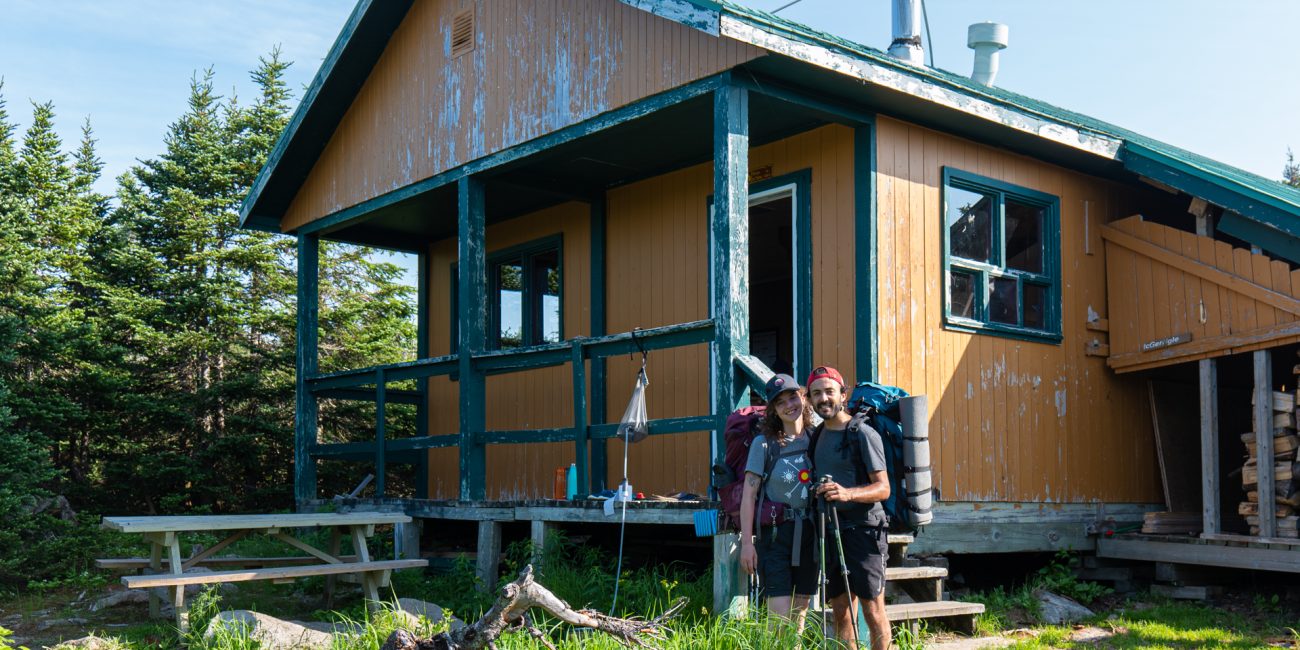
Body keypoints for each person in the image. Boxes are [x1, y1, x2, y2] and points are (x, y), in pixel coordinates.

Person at [808, 366, 891, 650]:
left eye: (829, 391)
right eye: (816, 393)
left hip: (866, 532)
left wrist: (847, 493)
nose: (824, 398)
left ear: (843, 395)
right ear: (809, 399)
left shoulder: (862, 434)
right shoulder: (817, 436)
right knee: (841, 611)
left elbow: (883, 488)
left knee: (873, 610)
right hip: (832, 532)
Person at [739, 373, 817, 631]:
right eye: (780, 402)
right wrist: (747, 544)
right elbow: (749, 496)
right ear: (772, 409)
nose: (789, 405)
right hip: (774, 537)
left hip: (810, 535)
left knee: (799, 618)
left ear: (803, 398)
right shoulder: (764, 445)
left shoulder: (816, 438)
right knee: (779, 622)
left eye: (792, 397)